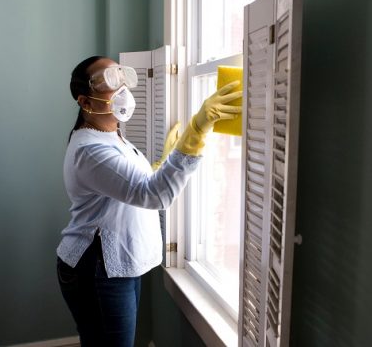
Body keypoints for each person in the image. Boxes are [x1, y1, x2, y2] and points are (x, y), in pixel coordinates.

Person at [56, 56, 242, 346]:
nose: (121, 88)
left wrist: (163, 162)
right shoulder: (90, 149)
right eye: (108, 80)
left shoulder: (110, 136)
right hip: (96, 266)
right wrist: (196, 131)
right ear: (85, 102)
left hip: (115, 263)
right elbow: (154, 195)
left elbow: (128, 185)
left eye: (120, 75)